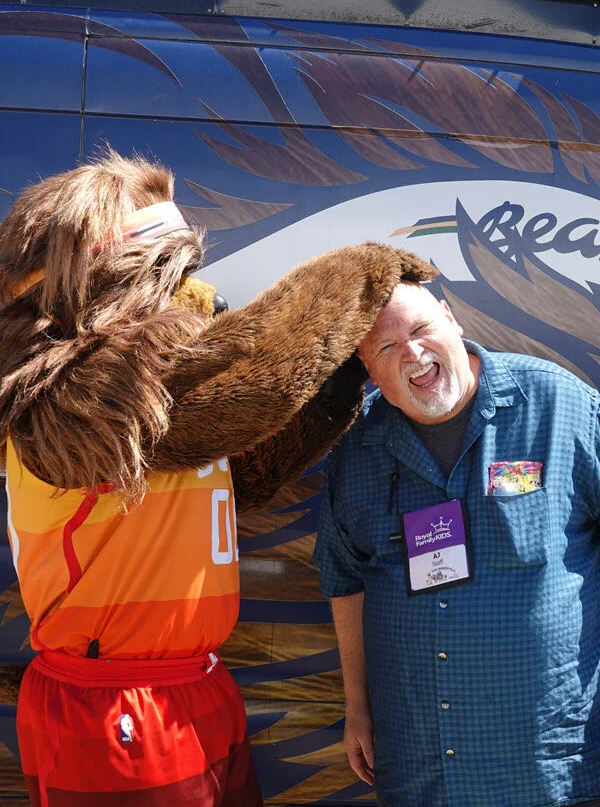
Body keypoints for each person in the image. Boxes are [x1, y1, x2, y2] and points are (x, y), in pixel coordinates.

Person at [0, 151, 436, 806]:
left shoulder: (163, 416)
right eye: (171, 280)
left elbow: (238, 472)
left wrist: (338, 384)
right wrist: (362, 272)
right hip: (116, 705)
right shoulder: (66, 402)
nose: (203, 299)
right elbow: (257, 383)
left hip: (196, 682)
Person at [314, 279, 600, 807]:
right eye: (386, 347)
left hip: (546, 758)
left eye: (422, 328)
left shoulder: (559, 405)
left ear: (451, 318)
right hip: (421, 762)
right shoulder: (357, 448)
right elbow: (343, 578)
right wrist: (356, 707)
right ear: (368, 369)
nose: (413, 353)